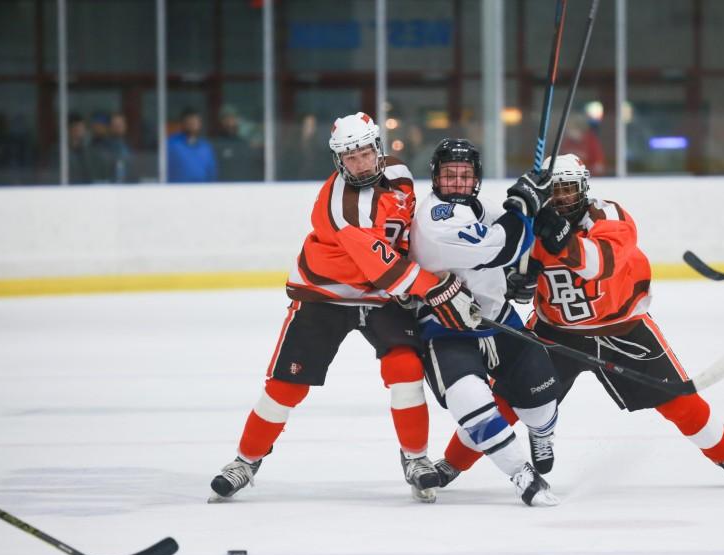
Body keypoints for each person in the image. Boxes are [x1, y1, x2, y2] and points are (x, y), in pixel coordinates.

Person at [436, 154, 724, 487]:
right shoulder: (532, 226)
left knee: (677, 400)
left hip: (623, 329)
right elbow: (509, 275)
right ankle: (450, 464)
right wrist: (518, 280)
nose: (562, 197)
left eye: (569, 189)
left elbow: (597, 264)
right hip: (554, 332)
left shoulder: (610, 215)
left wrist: (559, 237)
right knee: (507, 399)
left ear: (584, 188)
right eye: (555, 190)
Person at [209, 113, 481, 504]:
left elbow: (409, 237)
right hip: (328, 294)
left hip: (381, 295)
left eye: (366, 152)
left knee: (405, 368)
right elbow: (384, 267)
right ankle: (245, 462)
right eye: (350, 157)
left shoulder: (400, 174)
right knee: (286, 386)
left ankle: (416, 458)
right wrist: (437, 288)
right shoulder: (343, 209)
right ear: (338, 160)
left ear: (378, 149)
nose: (360, 162)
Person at [408, 138, 560, 506]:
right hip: (445, 329)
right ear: (435, 178)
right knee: (471, 401)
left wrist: (536, 216)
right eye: (449, 175)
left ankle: (541, 432)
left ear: (476, 179)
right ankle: (521, 473)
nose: (458, 182)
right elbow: (500, 246)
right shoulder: (436, 220)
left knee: (541, 392)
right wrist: (522, 206)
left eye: (465, 175)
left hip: (497, 317)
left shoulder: (479, 207)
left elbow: (517, 239)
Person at [211, 105, 261, 182]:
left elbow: (252, 171)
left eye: (233, 118)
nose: (230, 123)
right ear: (221, 122)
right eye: (226, 119)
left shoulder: (245, 144)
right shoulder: (215, 145)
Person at [168, 108, 217, 183]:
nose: (193, 124)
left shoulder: (206, 147)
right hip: (177, 191)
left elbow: (211, 173)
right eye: (189, 121)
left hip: (202, 191)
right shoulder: (171, 144)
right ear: (183, 123)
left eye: (196, 121)